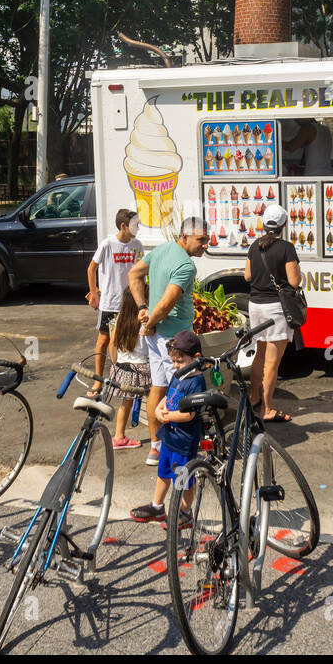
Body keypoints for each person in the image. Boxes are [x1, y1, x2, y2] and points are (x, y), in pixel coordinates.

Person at [127, 217, 208, 467]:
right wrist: (148, 321)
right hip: (174, 340)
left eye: (206, 239)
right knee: (178, 391)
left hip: (157, 335)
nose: (206, 244)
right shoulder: (185, 265)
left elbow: (134, 274)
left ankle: (156, 446)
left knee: (158, 388)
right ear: (184, 237)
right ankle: (175, 448)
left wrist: (142, 308)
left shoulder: (161, 250)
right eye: (201, 240)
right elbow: (165, 304)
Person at [130, 331, 207, 522]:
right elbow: (168, 395)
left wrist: (168, 416)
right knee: (163, 472)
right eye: (173, 361)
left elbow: (190, 414)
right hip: (169, 437)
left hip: (184, 442)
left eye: (180, 361)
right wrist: (160, 407)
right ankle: (157, 506)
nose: (175, 365)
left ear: (196, 358)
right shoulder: (179, 375)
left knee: (183, 480)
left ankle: (185, 511)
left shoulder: (196, 381)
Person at [244, 203, 302, 422]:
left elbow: (247, 277)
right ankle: (267, 410)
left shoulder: (254, 245)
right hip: (276, 309)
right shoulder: (286, 248)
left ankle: (254, 397)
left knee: (259, 356)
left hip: (255, 306)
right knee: (272, 363)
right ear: (283, 224)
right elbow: (294, 282)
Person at [86, 209, 144, 394]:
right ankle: (98, 380)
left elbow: (142, 272)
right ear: (123, 226)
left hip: (130, 303)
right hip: (110, 302)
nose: (138, 228)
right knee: (104, 340)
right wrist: (94, 292)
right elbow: (91, 268)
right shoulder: (108, 244)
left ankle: (119, 378)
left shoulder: (138, 245)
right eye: (135, 225)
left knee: (124, 341)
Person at [104, 293, 148, 450]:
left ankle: (119, 436)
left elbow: (112, 343)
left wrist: (115, 363)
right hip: (143, 368)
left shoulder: (120, 321)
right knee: (154, 402)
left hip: (124, 367)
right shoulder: (145, 322)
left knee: (125, 404)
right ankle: (160, 438)